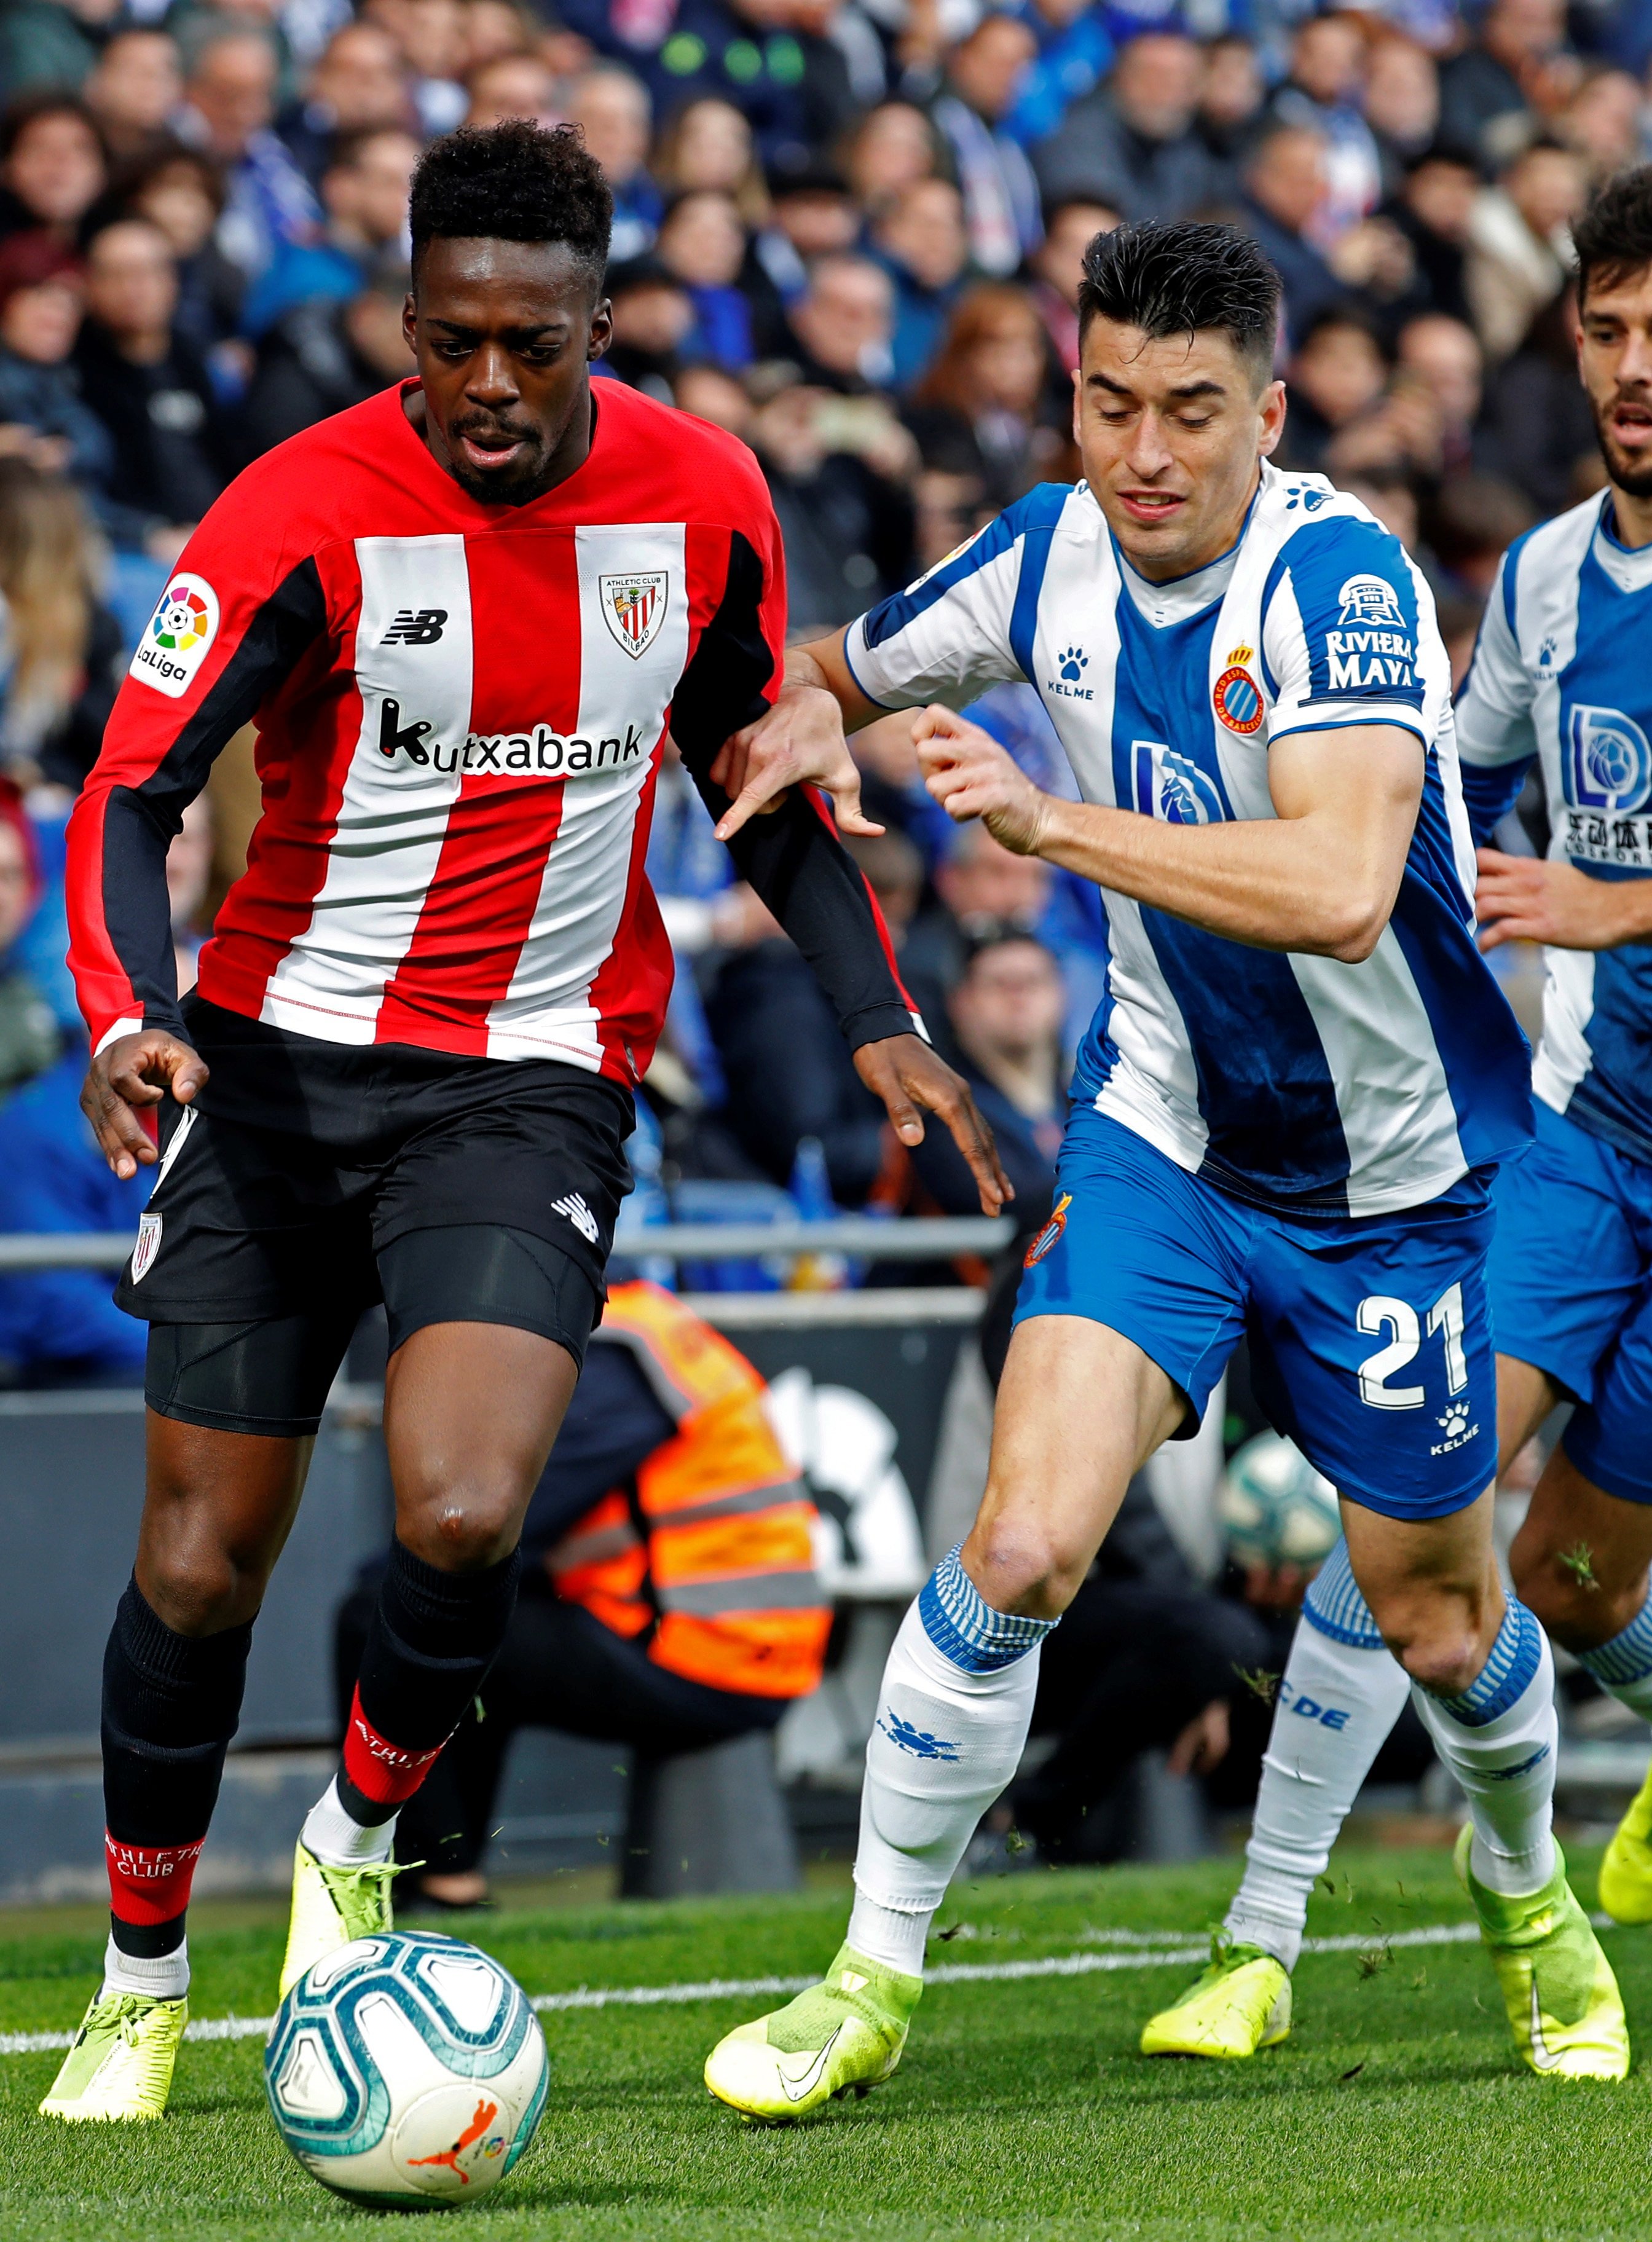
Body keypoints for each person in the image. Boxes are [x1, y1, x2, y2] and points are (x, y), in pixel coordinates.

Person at [39, 116, 1004, 2128]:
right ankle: (138, 1970)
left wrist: (880, 1017)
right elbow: (128, 799)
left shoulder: (705, 501)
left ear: (596, 327)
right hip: (274, 1068)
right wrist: (127, 1014)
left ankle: (356, 1845)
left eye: (532, 345)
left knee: (466, 1509)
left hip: (531, 1073)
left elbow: (762, 783)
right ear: (407, 317)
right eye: (452, 338)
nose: (488, 383)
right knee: (202, 1564)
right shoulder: (295, 515)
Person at [701, 213, 1626, 2124]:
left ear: (1267, 416)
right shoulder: (1039, 548)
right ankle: (866, 1973)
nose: (1141, 451)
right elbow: (848, 660)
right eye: (1107, 403)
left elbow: (1343, 884)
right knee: (1020, 1543)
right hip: (1165, 1149)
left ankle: (1523, 1888)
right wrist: (802, 713)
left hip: (1397, 1190)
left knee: (1446, 1620)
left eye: (1189, 414)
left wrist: (1050, 816)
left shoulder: (1342, 583)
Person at [1182, 162, 1652, 2045]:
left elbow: (1580, 879)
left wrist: (1623, 901)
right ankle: (1262, 1934)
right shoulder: (1539, 578)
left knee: (1568, 1579)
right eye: (1605, 333)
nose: (1631, 371)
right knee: (1417, 1497)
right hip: (1577, 1146)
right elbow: (1433, 795)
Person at [336, 1278, 830, 1906]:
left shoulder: (611, 1355)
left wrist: (381, 1575)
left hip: (714, 1657)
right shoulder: (639, 1327)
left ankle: (434, 1890)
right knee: (460, 1627)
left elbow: (501, 1519)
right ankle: (443, 1879)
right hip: (734, 1643)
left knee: (383, 1616)